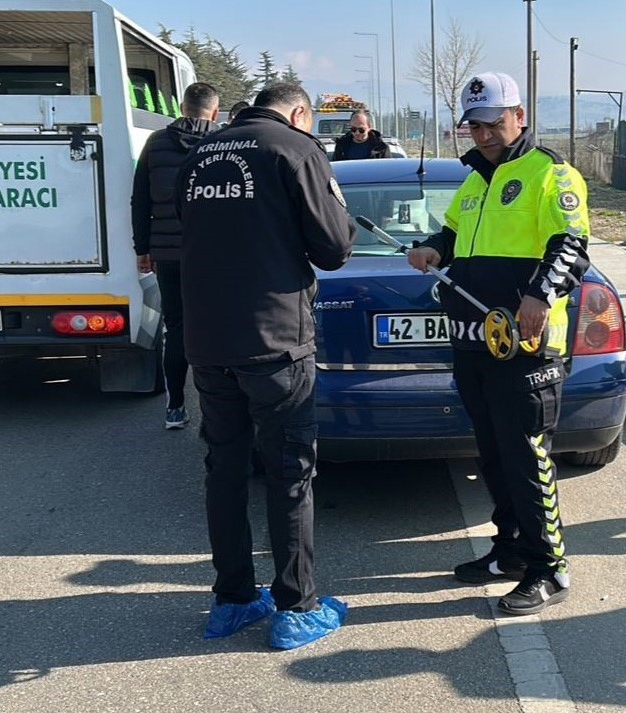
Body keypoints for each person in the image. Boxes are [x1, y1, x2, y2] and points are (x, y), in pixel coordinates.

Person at [177, 82, 354, 649]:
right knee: (289, 473)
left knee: (224, 470)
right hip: (274, 341)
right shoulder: (296, 150)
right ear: (300, 113)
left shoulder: (201, 153)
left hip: (208, 340)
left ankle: (231, 599)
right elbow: (334, 248)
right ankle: (296, 607)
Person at [408, 72, 589, 615]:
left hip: (526, 348)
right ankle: (510, 549)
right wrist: (433, 248)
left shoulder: (551, 173)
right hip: (475, 343)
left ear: (520, 117)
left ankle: (548, 568)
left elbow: (571, 244)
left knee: (528, 457)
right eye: (475, 125)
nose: (484, 134)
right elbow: (454, 235)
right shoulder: (473, 181)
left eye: (493, 123)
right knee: (493, 456)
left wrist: (539, 294)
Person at [131, 82, 223, 429]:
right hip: (215, 255)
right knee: (215, 328)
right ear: (215, 112)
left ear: (182, 108)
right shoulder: (225, 143)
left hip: (168, 254)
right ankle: (215, 413)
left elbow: (140, 200)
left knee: (177, 328)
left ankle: (175, 408)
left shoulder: (156, 143)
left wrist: (143, 248)